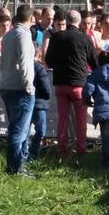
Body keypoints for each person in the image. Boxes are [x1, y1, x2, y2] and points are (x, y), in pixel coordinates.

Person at [43, 9, 98, 157]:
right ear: (79, 21)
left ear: (66, 21)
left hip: (60, 83)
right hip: (79, 83)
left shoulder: (56, 37)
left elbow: (48, 60)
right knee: (81, 119)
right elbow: (93, 62)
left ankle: (61, 148)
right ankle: (81, 149)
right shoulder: (85, 38)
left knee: (63, 118)